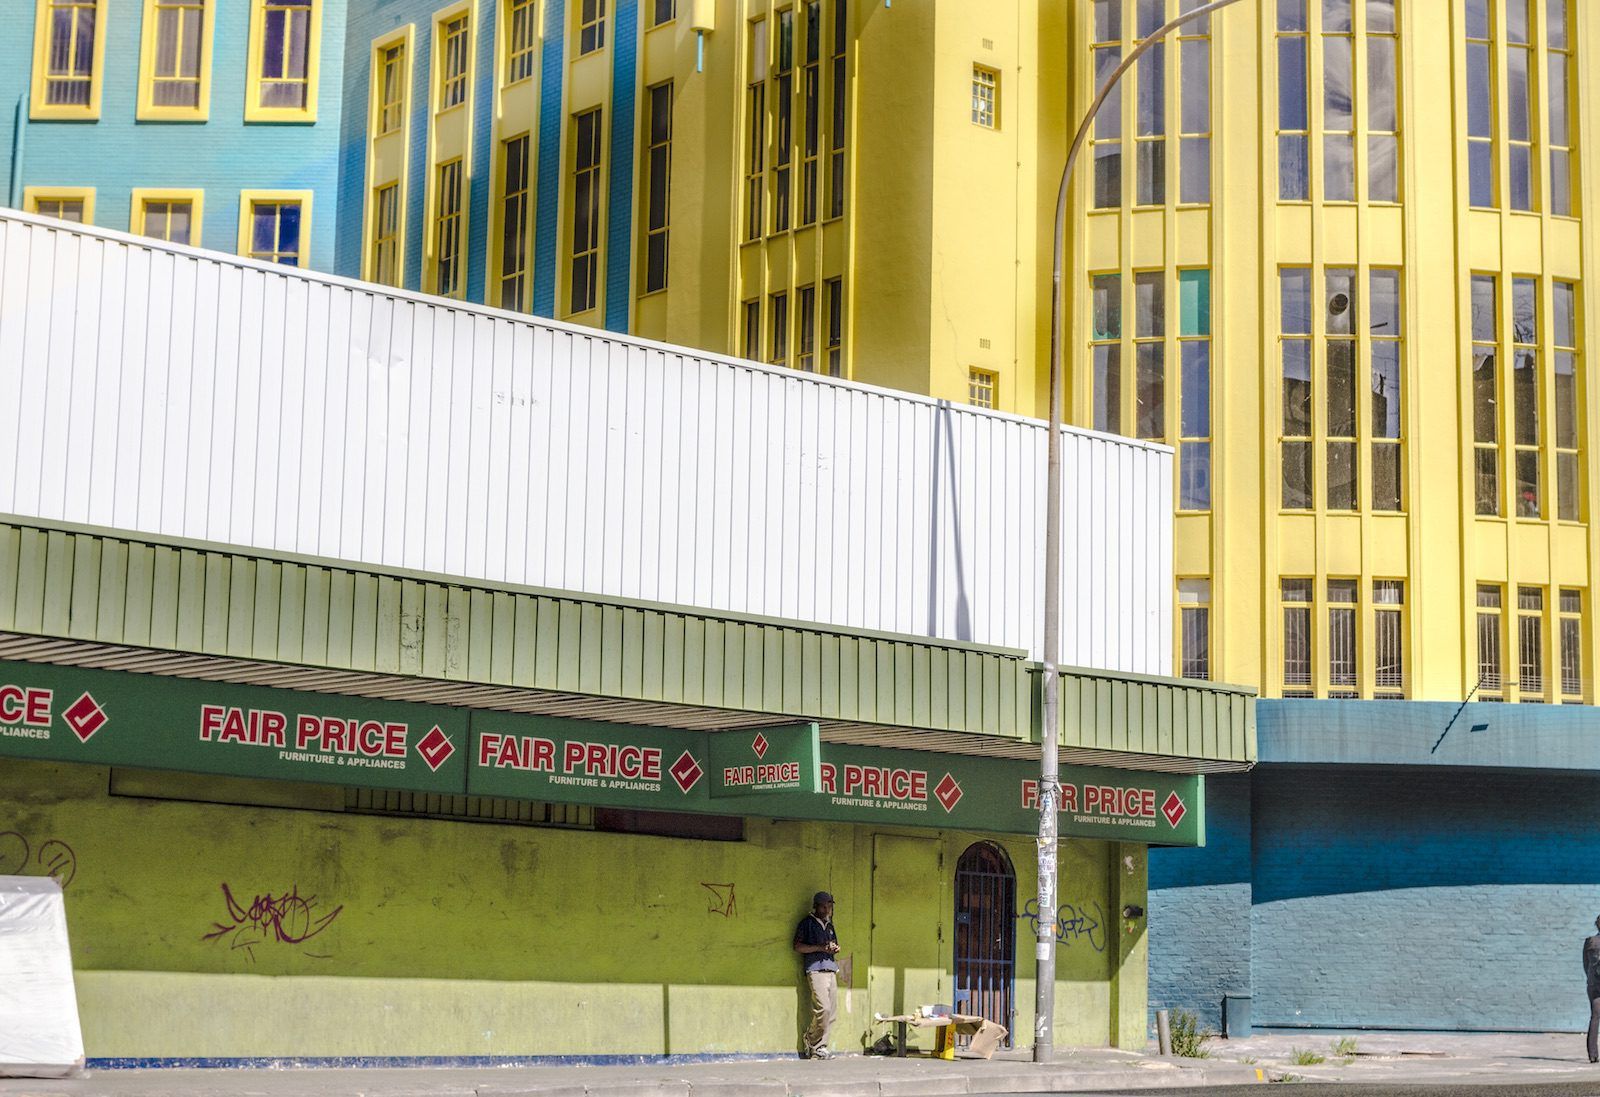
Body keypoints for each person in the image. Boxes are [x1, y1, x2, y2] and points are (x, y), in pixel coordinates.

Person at [794, 890, 840, 1059]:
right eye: (823, 906)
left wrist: (834, 948)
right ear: (816, 906)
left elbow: (833, 945)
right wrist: (820, 948)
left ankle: (821, 1048)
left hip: (830, 968)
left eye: (829, 906)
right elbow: (798, 946)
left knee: (831, 1013)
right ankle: (812, 1039)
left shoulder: (830, 925)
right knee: (823, 1009)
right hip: (815, 969)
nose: (827, 909)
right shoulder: (807, 923)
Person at [1585, 916, 1600, 1063]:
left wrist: (1591, 981)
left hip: (1594, 985)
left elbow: (1586, 965)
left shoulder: (1590, 942)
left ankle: (1593, 1054)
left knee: (1595, 1017)